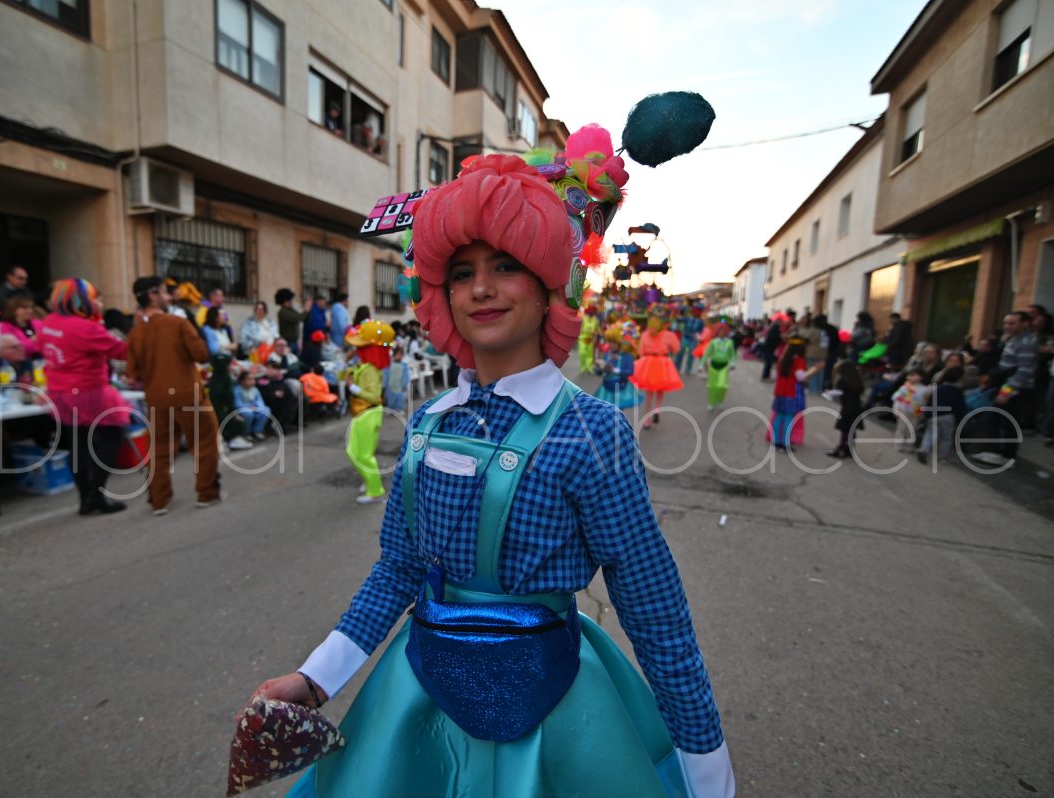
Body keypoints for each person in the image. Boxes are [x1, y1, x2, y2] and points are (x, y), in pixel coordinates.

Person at [251, 145, 733, 798]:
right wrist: (315, 679)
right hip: (419, 701)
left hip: (557, 714)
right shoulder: (427, 424)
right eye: (462, 272)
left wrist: (705, 759)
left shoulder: (592, 432)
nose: (481, 288)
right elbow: (398, 568)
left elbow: (653, 607)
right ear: (441, 294)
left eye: (506, 264)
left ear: (549, 285)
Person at [126, 276, 223, 515]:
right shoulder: (177, 323)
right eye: (164, 292)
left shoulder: (136, 332)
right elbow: (201, 354)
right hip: (187, 394)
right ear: (153, 296)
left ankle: (159, 500)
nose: (169, 297)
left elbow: (132, 373)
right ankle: (207, 493)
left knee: (159, 449)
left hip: (157, 398)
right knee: (204, 443)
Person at [36, 279, 128, 515]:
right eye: (95, 298)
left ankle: (85, 498)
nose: (100, 302)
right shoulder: (85, 327)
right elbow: (121, 351)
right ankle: (95, 495)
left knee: (78, 444)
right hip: (88, 391)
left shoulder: (49, 322)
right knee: (111, 438)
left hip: (60, 392)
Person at [973, 311, 1038, 466]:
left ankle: (1000, 454)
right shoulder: (1014, 339)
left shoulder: (1027, 342)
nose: (1007, 326)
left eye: (1012, 323)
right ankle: (998, 453)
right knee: (1000, 419)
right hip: (1005, 384)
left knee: (1002, 420)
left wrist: (1005, 392)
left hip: (1014, 388)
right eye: (1006, 323)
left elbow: (1024, 371)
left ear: (1024, 324)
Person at [340, 319, 392, 504]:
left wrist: (353, 388)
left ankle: (375, 491)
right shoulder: (363, 366)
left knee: (361, 454)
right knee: (355, 451)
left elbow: (374, 396)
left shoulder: (370, 370)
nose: (356, 348)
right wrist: (346, 363)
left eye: (360, 346)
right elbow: (341, 375)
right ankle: (370, 481)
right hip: (363, 413)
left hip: (368, 412)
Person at [202, 306, 250, 451]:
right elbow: (215, 349)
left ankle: (231, 436)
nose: (224, 317)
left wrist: (227, 347)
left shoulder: (224, 330)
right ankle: (224, 437)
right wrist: (229, 347)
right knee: (232, 418)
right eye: (221, 315)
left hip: (225, 365)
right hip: (218, 365)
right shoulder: (207, 330)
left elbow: (229, 347)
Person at [630, 313, 682, 428]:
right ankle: (657, 410)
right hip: (663, 362)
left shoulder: (645, 334)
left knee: (649, 392)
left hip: (648, 363)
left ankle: (647, 420)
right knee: (660, 389)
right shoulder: (669, 335)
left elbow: (640, 351)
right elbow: (676, 349)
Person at [770, 337, 813, 450]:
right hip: (791, 392)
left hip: (780, 391)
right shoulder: (799, 360)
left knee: (779, 416)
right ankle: (785, 443)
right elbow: (800, 377)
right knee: (789, 418)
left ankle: (776, 441)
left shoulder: (783, 358)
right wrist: (813, 370)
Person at [917, 367, 966, 465]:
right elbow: (959, 406)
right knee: (946, 438)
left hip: (934, 414)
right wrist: (959, 418)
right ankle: (941, 456)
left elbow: (930, 401)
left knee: (929, 433)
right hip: (948, 416)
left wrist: (927, 414)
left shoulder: (938, 388)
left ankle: (924, 450)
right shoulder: (957, 391)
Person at [825, 359, 864, 459]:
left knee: (845, 430)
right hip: (856, 408)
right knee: (852, 430)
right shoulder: (856, 379)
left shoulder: (842, 380)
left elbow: (838, 392)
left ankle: (841, 449)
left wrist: (828, 393)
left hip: (847, 408)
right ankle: (849, 449)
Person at [890, 369, 926, 452]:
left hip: (915, 412)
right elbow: (897, 398)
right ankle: (899, 444)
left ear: (921, 377)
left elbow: (924, 402)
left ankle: (909, 445)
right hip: (903, 409)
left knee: (912, 428)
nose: (914, 377)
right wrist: (895, 408)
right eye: (912, 375)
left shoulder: (924, 389)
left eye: (917, 376)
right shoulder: (905, 387)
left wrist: (921, 412)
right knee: (901, 427)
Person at [703, 321, 736, 410]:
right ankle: (711, 403)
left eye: (724, 331)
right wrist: (701, 364)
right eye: (720, 331)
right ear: (717, 332)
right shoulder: (713, 342)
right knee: (712, 386)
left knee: (722, 386)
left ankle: (720, 400)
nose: (722, 333)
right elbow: (707, 353)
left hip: (724, 367)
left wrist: (733, 363)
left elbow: (732, 354)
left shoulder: (729, 342)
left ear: (726, 332)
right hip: (713, 366)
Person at [233, 370, 271, 442]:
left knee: (266, 410)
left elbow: (260, 401)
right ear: (242, 381)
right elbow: (237, 403)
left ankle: (257, 430)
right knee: (248, 414)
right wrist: (248, 406)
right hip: (242, 409)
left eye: (253, 379)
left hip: (254, 408)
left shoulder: (255, 390)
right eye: (249, 379)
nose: (252, 381)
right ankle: (247, 432)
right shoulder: (237, 390)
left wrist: (258, 406)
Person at [276, 289, 307, 354]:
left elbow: (299, 316)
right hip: (287, 343)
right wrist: (306, 310)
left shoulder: (291, 310)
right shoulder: (283, 312)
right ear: (284, 302)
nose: (291, 302)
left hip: (294, 342)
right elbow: (297, 318)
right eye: (289, 300)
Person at [383, 345, 410, 412]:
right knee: (390, 398)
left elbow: (406, 376)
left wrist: (404, 384)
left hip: (400, 386)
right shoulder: (389, 365)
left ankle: (400, 408)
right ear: (394, 355)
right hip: (390, 385)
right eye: (397, 354)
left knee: (400, 398)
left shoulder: (404, 366)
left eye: (401, 354)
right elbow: (386, 375)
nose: (399, 356)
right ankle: (391, 409)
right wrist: (384, 385)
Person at [577, 305, 600, 372]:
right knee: (582, 353)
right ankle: (583, 367)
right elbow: (579, 328)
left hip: (590, 339)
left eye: (593, 311)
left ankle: (589, 367)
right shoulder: (583, 318)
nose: (592, 312)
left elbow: (597, 329)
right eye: (591, 311)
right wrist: (584, 331)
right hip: (582, 339)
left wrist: (596, 333)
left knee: (589, 354)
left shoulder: (595, 320)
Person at [760, 315, 782, 382]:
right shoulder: (776, 328)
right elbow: (777, 338)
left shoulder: (773, 327)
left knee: (769, 362)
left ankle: (766, 376)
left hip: (768, 347)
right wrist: (781, 337)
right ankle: (765, 376)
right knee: (769, 362)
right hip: (769, 347)